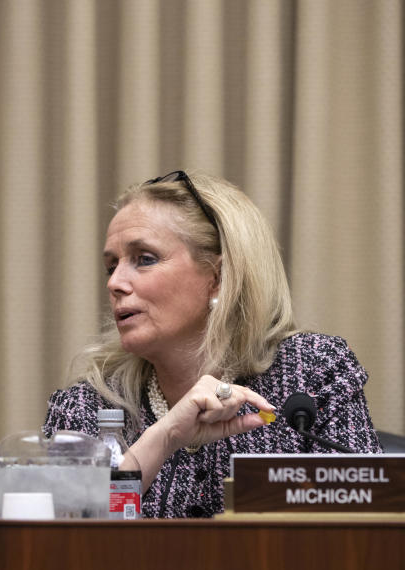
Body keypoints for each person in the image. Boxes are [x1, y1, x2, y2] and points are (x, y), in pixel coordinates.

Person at [43, 170, 380, 518]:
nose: (115, 282)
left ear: (217, 279)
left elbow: (366, 532)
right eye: (111, 266)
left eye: (144, 259)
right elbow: (65, 550)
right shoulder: (84, 409)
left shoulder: (310, 374)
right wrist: (166, 435)